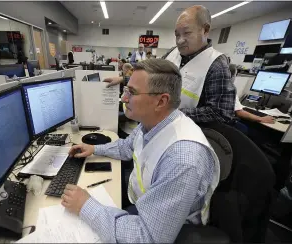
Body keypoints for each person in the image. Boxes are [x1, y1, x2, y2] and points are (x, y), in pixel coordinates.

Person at [62, 59, 220, 243]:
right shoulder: (152, 122)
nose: (123, 98)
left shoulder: (182, 158)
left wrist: (85, 206)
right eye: (126, 90)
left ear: (161, 101)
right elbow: (127, 147)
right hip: (145, 202)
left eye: (132, 92)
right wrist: (94, 148)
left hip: (162, 226)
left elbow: (148, 237)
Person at [103, 5, 236, 124]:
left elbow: (221, 113)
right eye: (177, 35)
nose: (180, 41)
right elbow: (152, 76)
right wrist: (123, 79)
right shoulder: (173, 52)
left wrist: (172, 113)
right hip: (156, 125)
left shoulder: (216, 65)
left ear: (205, 30)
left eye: (187, 33)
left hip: (184, 133)